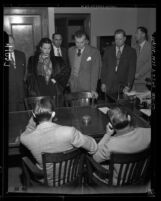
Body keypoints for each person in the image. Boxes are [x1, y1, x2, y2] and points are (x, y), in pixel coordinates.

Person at [20, 97, 97, 186]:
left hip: (47, 183)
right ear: (53, 114)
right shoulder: (70, 132)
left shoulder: (26, 139)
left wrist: (33, 119)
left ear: (34, 115)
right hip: (72, 177)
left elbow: (28, 130)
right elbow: (94, 147)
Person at [92, 107, 151, 185]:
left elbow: (95, 158)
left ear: (111, 125)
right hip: (139, 176)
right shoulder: (148, 132)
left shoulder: (111, 145)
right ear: (129, 118)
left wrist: (107, 134)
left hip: (118, 182)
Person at [27, 38, 70, 106]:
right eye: (45, 48)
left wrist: (56, 79)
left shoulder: (58, 60)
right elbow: (30, 75)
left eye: (49, 48)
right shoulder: (32, 59)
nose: (47, 50)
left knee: (54, 110)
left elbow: (66, 71)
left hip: (52, 88)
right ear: (40, 48)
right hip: (38, 88)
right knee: (41, 111)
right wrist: (32, 88)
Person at [101, 29, 137, 94]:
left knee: (121, 104)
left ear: (124, 38)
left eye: (120, 39)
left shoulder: (131, 52)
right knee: (108, 104)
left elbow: (132, 70)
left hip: (123, 86)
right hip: (108, 85)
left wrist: (128, 86)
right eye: (116, 39)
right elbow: (104, 68)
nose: (117, 41)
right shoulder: (108, 50)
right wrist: (103, 82)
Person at [68, 30, 101, 97]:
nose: (79, 45)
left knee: (86, 107)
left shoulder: (94, 52)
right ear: (74, 40)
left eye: (82, 42)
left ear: (86, 40)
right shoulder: (70, 50)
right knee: (74, 107)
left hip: (87, 87)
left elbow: (95, 71)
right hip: (73, 86)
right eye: (77, 42)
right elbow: (71, 68)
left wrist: (93, 89)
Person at [8, 34, 27, 111]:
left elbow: (23, 72)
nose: (11, 45)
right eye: (8, 43)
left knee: (22, 117)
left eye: (12, 43)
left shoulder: (21, 55)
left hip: (21, 94)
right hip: (9, 95)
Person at [133, 26, 152, 92]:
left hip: (144, 82)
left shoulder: (150, 47)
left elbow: (150, 63)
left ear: (143, 34)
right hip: (134, 82)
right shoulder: (135, 47)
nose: (135, 35)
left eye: (137, 33)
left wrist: (139, 74)